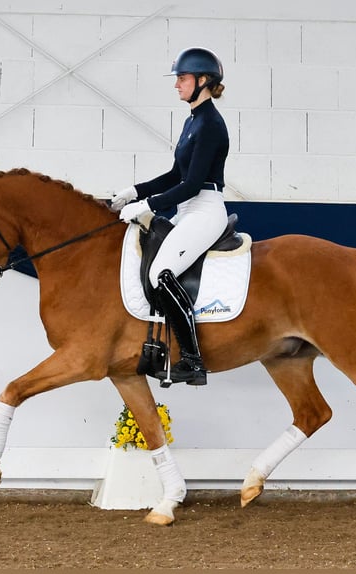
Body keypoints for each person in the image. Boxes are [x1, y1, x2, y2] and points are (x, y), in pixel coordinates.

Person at [111, 46, 229, 386]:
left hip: (205, 209)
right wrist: (135, 191)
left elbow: (191, 184)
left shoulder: (210, 124)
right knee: (150, 265)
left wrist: (148, 206)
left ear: (203, 81)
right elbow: (176, 174)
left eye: (182, 78)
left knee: (161, 273)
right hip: (188, 208)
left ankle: (193, 361)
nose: (177, 85)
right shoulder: (193, 120)